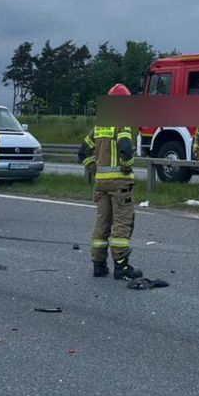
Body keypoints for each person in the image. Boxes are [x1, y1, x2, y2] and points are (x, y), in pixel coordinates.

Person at [82, 84, 141, 280]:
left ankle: (98, 265)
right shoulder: (121, 123)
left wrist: (94, 168)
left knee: (102, 223)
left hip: (101, 184)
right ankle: (121, 266)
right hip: (120, 184)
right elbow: (125, 149)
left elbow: (82, 152)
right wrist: (127, 166)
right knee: (121, 223)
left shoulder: (99, 126)